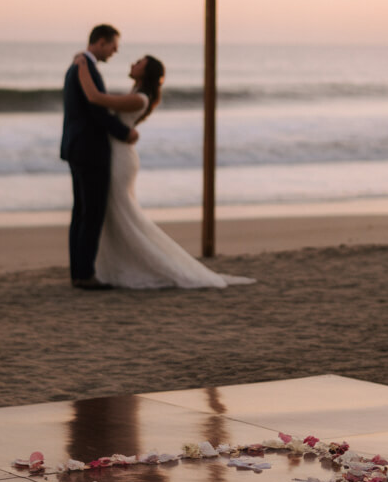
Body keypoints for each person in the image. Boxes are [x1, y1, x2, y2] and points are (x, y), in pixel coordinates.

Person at [73, 51, 254, 289]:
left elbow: (95, 97)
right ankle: (112, 265)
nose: (133, 63)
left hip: (120, 160)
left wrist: (81, 65)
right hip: (115, 155)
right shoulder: (134, 94)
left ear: (145, 73)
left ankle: (133, 264)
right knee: (115, 214)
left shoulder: (140, 99)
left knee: (122, 213)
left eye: (139, 63)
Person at [60, 24, 138, 290]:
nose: (114, 53)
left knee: (80, 212)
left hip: (75, 147)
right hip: (89, 151)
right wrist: (123, 132)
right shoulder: (86, 68)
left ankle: (78, 273)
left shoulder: (77, 67)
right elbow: (96, 110)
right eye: (113, 47)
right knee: (92, 213)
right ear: (101, 42)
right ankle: (85, 275)